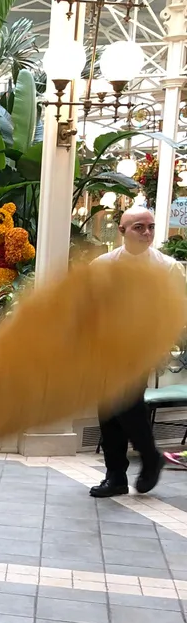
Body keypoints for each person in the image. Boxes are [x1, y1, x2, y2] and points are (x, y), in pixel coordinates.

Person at [90, 207, 181, 499]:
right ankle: (116, 475)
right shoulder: (102, 265)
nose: (147, 233)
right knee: (108, 411)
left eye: (151, 227)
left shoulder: (166, 267)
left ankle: (149, 456)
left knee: (125, 402)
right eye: (138, 227)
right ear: (122, 231)